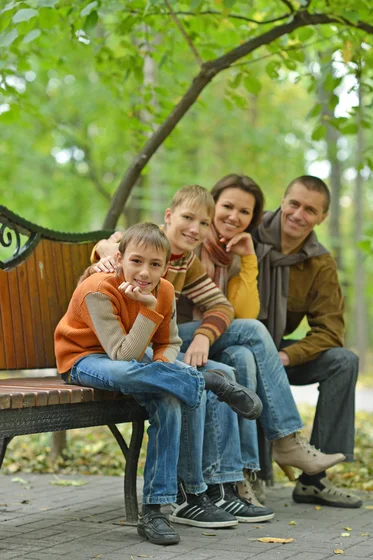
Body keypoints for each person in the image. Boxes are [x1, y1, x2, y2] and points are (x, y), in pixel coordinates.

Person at [93, 185, 345, 521]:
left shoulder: (188, 261)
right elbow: (115, 248)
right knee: (241, 348)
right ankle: (280, 443)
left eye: (202, 223)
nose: (195, 229)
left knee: (239, 353)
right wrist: (104, 247)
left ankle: (229, 484)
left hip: (164, 341)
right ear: (169, 216)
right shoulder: (143, 245)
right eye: (187, 219)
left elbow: (223, 306)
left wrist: (203, 337)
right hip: (124, 346)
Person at [54, 222, 263, 546]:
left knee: (169, 397)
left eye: (155, 265)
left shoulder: (164, 290)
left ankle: (155, 510)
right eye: (136, 261)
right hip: (85, 360)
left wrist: (165, 366)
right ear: (120, 258)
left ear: (166, 267)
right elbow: (123, 356)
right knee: (127, 373)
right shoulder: (98, 289)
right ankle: (207, 381)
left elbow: (170, 342)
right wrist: (149, 312)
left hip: (139, 361)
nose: (144, 272)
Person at [175, 175, 345, 507]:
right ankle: (287, 439)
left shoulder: (233, 252)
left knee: (243, 354)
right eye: (226, 208)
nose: (234, 217)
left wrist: (248, 261)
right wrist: (108, 245)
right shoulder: (191, 238)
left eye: (243, 212)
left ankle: (241, 478)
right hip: (171, 343)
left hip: (223, 343)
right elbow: (140, 243)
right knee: (251, 333)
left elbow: (235, 310)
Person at [252, 175, 362, 508]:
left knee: (344, 361)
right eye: (294, 204)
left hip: (279, 350)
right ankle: (246, 473)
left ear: (322, 218)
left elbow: (330, 331)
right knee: (244, 362)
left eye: (310, 210)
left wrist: (285, 357)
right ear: (282, 201)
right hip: (233, 343)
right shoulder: (248, 234)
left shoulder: (320, 262)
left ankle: (313, 480)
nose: (299, 214)